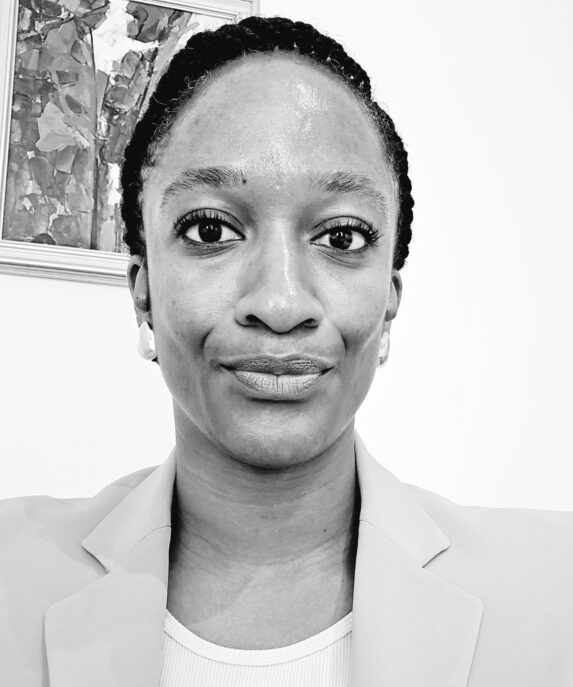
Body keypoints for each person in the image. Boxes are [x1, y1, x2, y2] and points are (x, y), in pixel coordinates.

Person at [1, 15, 572, 687]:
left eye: (340, 237)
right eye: (209, 229)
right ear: (143, 289)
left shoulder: (553, 591)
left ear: (389, 298)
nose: (279, 303)